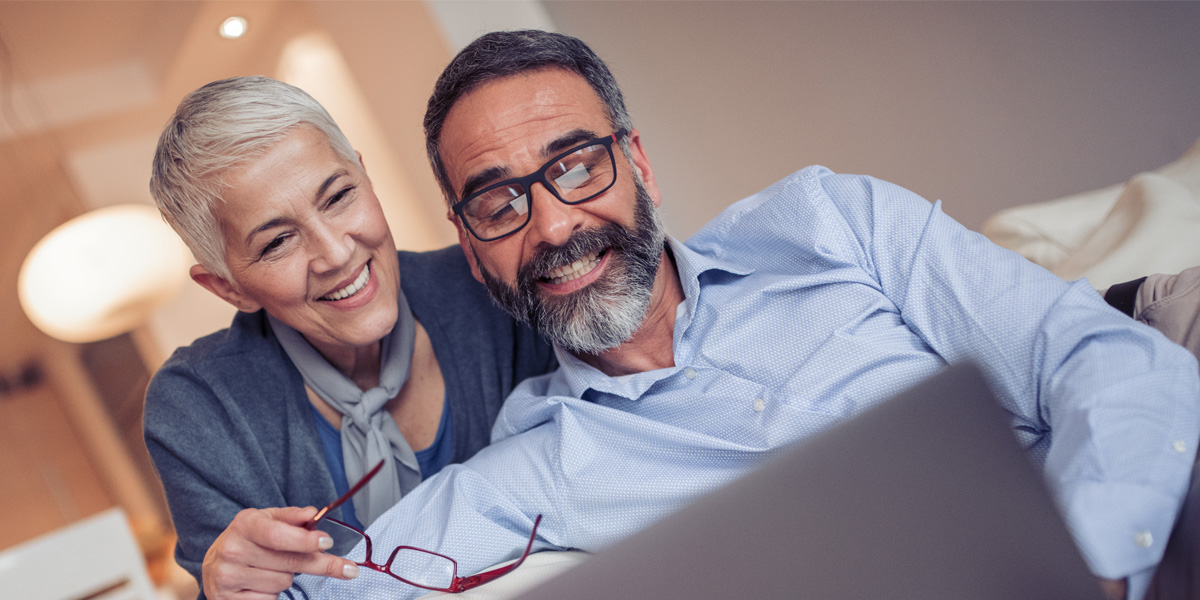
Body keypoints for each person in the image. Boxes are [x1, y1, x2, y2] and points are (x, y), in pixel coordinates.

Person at [289, 30, 1199, 600]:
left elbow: (1100, 360)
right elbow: (338, 586)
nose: (555, 226)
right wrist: (239, 581)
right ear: (466, 238)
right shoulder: (537, 467)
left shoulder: (832, 222)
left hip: (1137, 535)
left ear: (636, 161)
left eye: (575, 167)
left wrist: (1096, 572)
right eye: (499, 203)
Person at [142, 76, 555, 599]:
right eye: (277, 242)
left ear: (365, 174)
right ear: (228, 288)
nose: (336, 253)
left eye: (338, 196)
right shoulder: (199, 409)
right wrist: (224, 590)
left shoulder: (491, 282)